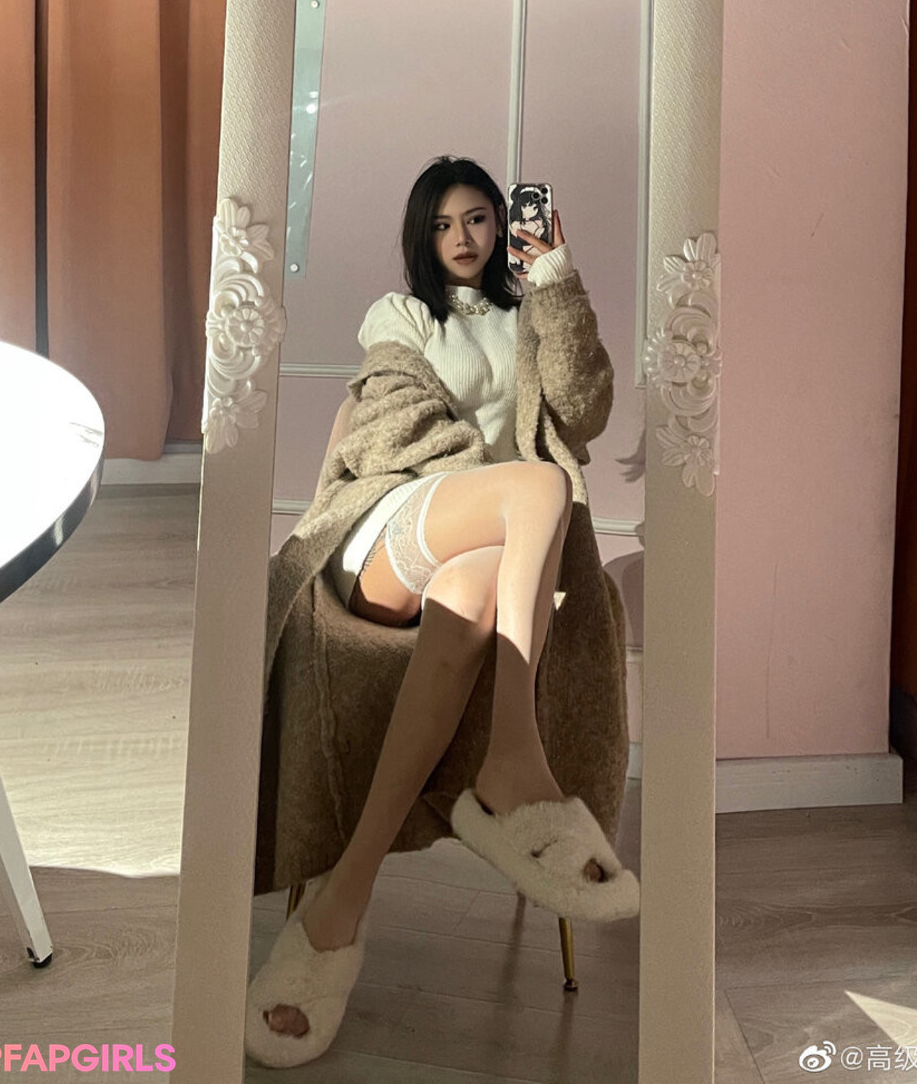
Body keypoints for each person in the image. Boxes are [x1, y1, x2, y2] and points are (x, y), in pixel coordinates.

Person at [246, 156, 639, 1069]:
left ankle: (342, 901)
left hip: (487, 552)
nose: (462, 237)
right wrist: (495, 483)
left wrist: (556, 278)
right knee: (539, 485)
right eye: (442, 223)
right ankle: (514, 758)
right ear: (422, 236)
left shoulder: (529, 316)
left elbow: (584, 409)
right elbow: (394, 425)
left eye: (478, 219)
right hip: (394, 522)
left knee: (483, 580)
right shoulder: (402, 316)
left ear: (505, 224)